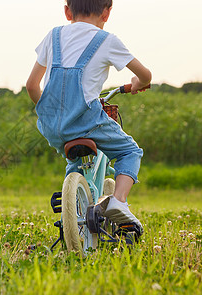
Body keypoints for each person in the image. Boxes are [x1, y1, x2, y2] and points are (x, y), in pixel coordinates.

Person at [26, 0, 151, 231]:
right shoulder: (108, 41)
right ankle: (119, 202)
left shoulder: (53, 36)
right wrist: (138, 83)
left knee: (74, 159)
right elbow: (145, 74)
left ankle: (71, 212)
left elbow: (32, 86)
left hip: (52, 125)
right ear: (107, 13)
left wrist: (52, 114)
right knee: (129, 150)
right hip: (87, 122)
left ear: (67, 11)